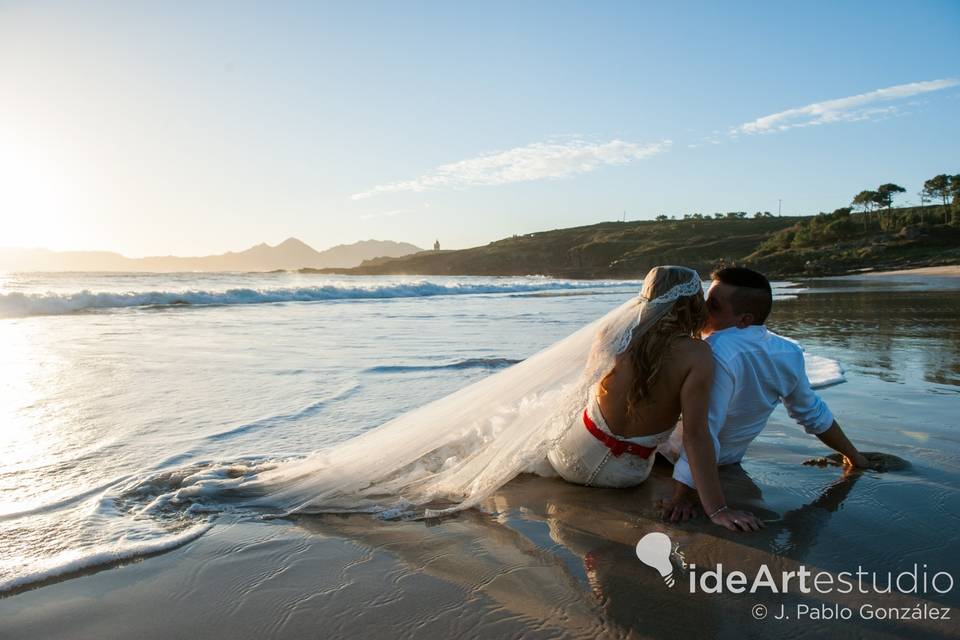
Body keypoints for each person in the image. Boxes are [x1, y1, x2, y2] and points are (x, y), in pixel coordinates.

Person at [547, 266, 763, 532]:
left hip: (570, 461)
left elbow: (583, 389)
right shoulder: (698, 354)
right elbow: (696, 436)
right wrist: (718, 509)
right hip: (627, 475)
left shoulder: (611, 333)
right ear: (693, 302)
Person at [659, 267, 871, 523]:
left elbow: (703, 432)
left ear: (745, 319)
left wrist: (688, 497)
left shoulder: (712, 353)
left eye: (713, 306)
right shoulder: (788, 351)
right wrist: (853, 456)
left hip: (673, 460)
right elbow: (813, 414)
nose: (702, 310)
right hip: (728, 460)